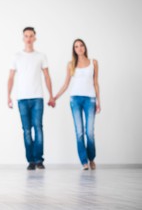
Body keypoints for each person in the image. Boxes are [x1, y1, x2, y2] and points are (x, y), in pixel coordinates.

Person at [7, 27, 55, 170]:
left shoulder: (41, 56)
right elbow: (11, 77)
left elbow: (47, 76)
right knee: (26, 130)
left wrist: (51, 95)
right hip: (22, 98)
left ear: (35, 38)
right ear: (23, 38)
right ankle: (31, 161)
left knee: (38, 128)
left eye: (31, 36)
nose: (28, 38)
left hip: (37, 98)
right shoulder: (16, 56)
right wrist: (8, 96)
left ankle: (39, 160)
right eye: (26, 36)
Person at [53, 38, 101, 170]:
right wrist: (55, 97)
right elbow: (66, 84)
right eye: (76, 47)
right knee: (79, 132)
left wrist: (98, 101)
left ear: (84, 47)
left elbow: (96, 83)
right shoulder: (71, 64)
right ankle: (84, 161)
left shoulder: (93, 62)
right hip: (75, 100)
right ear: (74, 50)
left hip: (90, 99)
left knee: (89, 132)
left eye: (81, 46)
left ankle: (91, 158)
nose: (79, 48)